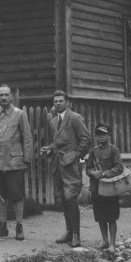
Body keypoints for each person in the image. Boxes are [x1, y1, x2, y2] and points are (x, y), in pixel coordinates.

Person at [0, 84, 33, 241]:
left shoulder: (19, 114)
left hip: (14, 162)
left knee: (17, 195)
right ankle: (2, 226)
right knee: (0, 195)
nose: (3, 98)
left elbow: (28, 138)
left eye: (6, 95)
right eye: (1, 95)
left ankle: (19, 226)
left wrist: (26, 160)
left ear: (12, 96)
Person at [41, 90, 91, 248]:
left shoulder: (75, 118)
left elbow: (86, 139)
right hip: (58, 163)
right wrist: (49, 148)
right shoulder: (54, 121)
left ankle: (76, 235)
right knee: (63, 197)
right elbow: (57, 143)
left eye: (61, 101)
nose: (57, 104)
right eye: (55, 101)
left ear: (67, 102)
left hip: (70, 165)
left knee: (71, 198)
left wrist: (76, 156)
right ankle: (69, 231)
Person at [85, 123, 124, 253]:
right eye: (98, 135)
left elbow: (119, 167)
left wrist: (105, 173)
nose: (101, 137)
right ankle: (104, 240)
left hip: (110, 187)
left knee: (111, 216)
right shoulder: (93, 151)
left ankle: (113, 243)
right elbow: (88, 168)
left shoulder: (114, 149)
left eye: (104, 134)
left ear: (109, 135)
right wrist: (92, 172)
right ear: (96, 136)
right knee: (100, 216)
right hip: (96, 187)